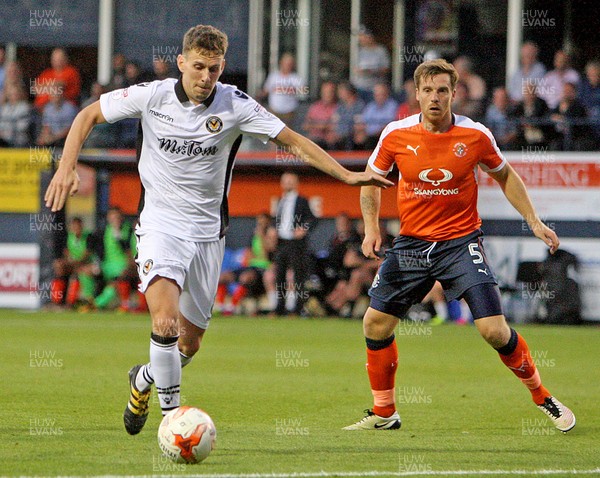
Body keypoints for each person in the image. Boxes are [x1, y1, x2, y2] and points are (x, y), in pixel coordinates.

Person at [44, 24, 391, 436]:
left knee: (187, 345)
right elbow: (88, 115)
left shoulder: (235, 104)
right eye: (198, 67)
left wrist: (346, 176)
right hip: (160, 226)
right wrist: (66, 167)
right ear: (181, 63)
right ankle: (172, 422)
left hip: (208, 234)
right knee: (164, 322)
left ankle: (143, 380)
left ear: (223, 66)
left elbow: (293, 140)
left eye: (214, 69)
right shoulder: (151, 95)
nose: (206, 77)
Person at [344, 59, 575, 433]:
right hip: (411, 246)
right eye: (428, 90)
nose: (435, 98)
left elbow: (506, 175)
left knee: (494, 331)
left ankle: (542, 395)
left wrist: (533, 220)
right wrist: (371, 227)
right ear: (416, 94)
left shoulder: (476, 135)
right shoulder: (395, 134)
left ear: (454, 94)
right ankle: (384, 412)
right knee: (375, 323)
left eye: (442, 90)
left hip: (460, 242)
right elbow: (371, 181)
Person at [273, 171, 317, 316]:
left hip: (296, 243)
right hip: (282, 243)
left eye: (291, 181)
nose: (288, 184)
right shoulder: (281, 201)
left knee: (298, 275)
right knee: (279, 275)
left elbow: (313, 219)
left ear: (296, 183)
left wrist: (303, 229)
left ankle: (297, 309)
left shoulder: (302, 201)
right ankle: (280, 307)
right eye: (285, 181)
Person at [260, 53, 306, 125]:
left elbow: (304, 91)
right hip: (274, 110)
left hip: (289, 111)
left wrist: (286, 90)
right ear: (281, 63)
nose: (288, 66)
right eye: (286, 63)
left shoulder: (295, 78)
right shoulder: (273, 76)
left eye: (290, 64)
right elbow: (266, 90)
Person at [354, 83, 398, 150]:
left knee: (371, 140)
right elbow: (362, 122)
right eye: (377, 95)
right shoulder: (370, 106)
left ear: (387, 94)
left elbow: (389, 125)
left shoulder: (392, 106)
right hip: (368, 135)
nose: (379, 97)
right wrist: (361, 131)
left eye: (382, 94)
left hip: (382, 136)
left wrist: (370, 134)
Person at [353, 26, 390, 102]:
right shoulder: (360, 51)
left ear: (370, 37)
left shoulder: (381, 51)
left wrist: (372, 71)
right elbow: (355, 68)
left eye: (363, 36)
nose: (361, 39)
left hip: (375, 90)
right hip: (360, 88)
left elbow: (386, 69)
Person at [302, 81, 337, 149]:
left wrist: (317, 125)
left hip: (332, 143)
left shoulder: (339, 107)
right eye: (325, 92)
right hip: (315, 141)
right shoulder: (315, 107)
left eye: (330, 92)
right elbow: (306, 126)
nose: (328, 95)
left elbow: (337, 126)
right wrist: (322, 126)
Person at [330, 81, 365, 150]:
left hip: (351, 135)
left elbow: (359, 124)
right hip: (338, 135)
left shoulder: (359, 105)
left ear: (349, 92)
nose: (339, 94)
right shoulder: (340, 106)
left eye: (341, 91)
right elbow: (334, 120)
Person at [0, 82, 31, 147]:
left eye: (15, 93)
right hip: (3, 137)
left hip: (18, 139)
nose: (13, 95)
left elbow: (22, 126)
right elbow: (1, 124)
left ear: (20, 94)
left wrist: (6, 132)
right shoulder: (5, 107)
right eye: (11, 94)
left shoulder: (25, 107)